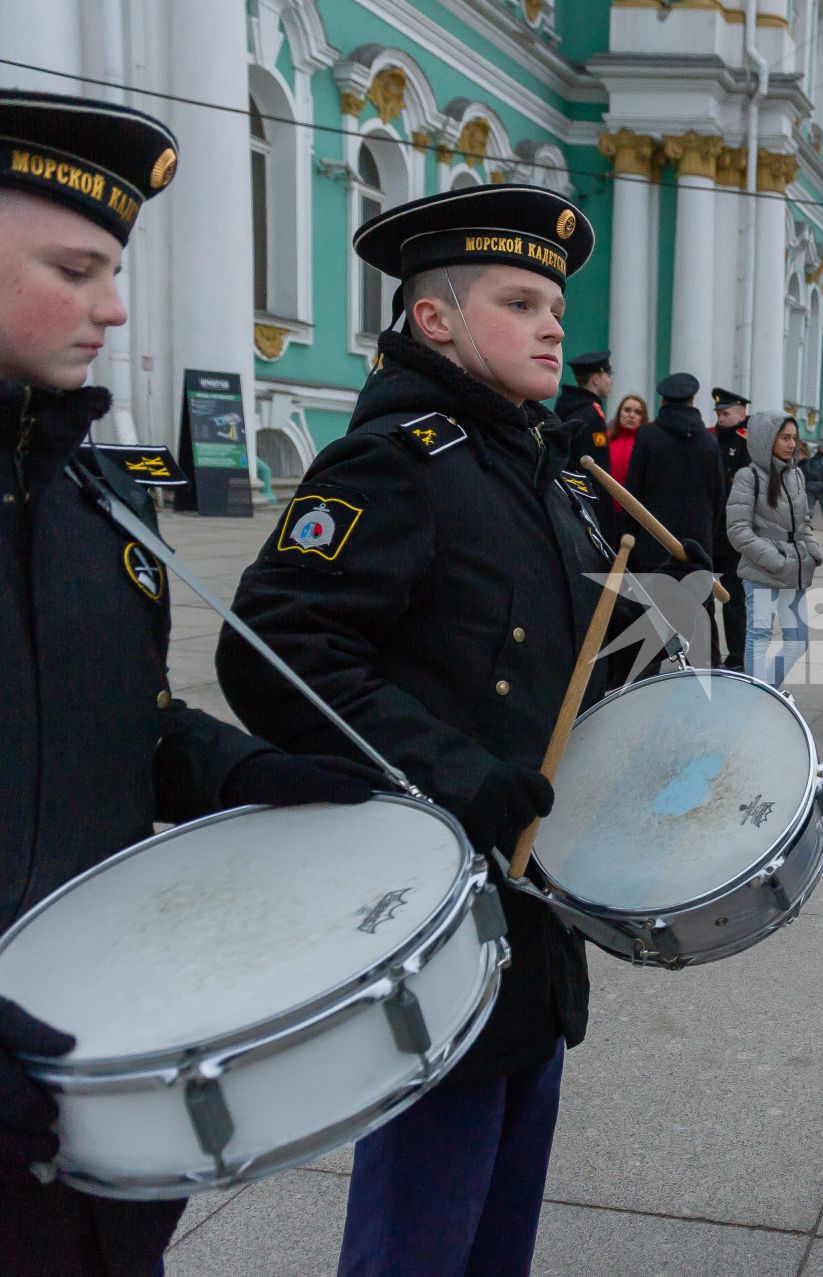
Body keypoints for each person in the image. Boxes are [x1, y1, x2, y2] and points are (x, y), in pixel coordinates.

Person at [0, 88, 378, 1277]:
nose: (114, 307)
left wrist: (250, 770)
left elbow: (127, 724)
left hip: (95, 1076)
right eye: (75, 267)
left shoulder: (85, 495)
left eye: (116, 269)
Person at [216, 182, 616, 1277]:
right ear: (433, 319)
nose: (552, 324)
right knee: (422, 1229)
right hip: (433, 904)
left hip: (531, 902)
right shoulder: (400, 459)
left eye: (556, 305)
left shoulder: (532, 467)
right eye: (521, 300)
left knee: (498, 1223)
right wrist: (456, 772)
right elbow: (273, 649)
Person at [626, 373, 727, 675]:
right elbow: (718, 496)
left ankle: (644, 678)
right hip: (697, 545)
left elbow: (633, 492)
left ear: (663, 401)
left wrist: (630, 536)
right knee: (701, 610)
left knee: (651, 612)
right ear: (693, 401)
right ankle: (709, 669)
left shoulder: (647, 436)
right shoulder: (709, 442)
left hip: (653, 543)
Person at [727, 412, 822, 688]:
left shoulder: (796, 475)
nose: (792, 444)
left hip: (795, 567)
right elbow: (737, 530)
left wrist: (812, 550)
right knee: (759, 636)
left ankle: (763, 695)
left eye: (794, 438)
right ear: (767, 439)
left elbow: (803, 521)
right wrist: (774, 559)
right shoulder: (748, 477)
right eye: (785, 437)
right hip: (761, 569)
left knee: (798, 640)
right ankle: (759, 704)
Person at [711, 387, 753, 670]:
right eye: (719, 413)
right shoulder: (713, 438)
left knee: (734, 600)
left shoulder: (747, 442)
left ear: (741, 413)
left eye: (726, 413)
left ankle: (738, 655)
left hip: (734, 534)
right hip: (713, 531)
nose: (721, 418)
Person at [557, 349, 612, 472]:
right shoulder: (592, 414)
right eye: (608, 375)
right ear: (596, 379)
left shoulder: (569, 406)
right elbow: (595, 466)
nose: (611, 382)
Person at [606, 392, 647, 488]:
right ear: (619, 413)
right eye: (627, 410)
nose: (631, 415)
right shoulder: (606, 438)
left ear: (643, 417)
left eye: (638, 412)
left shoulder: (647, 443)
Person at [802, 440, 823, 528]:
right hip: (822, 488)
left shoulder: (808, 462)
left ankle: (807, 524)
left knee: (809, 506)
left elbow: (804, 474)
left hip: (809, 487)